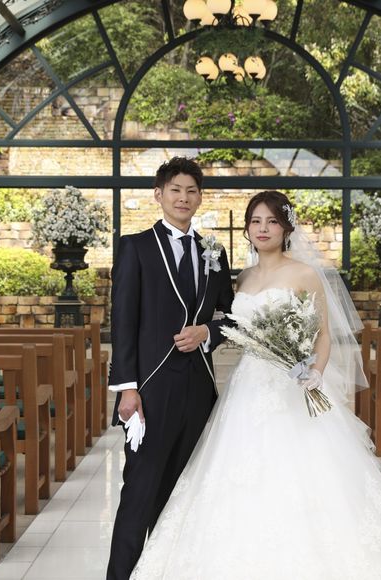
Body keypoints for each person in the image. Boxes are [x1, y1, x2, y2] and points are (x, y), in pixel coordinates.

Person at [130, 190, 381, 580]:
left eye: (272, 221)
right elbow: (232, 327)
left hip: (292, 385)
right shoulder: (242, 278)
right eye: (256, 221)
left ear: (286, 228)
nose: (263, 229)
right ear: (247, 229)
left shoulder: (304, 274)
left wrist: (316, 372)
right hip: (247, 387)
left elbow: (323, 335)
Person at [106, 157, 235, 580]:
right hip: (150, 389)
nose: (183, 198)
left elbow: (233, 317)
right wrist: (127, 388)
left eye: (191, 191)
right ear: (159, 195)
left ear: (200, 198)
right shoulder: (136, 247)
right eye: (175, 190)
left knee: (182, 495)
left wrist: (207, 333)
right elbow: (123, 322)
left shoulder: (214, 252)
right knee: (139, 495)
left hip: (199, 391)